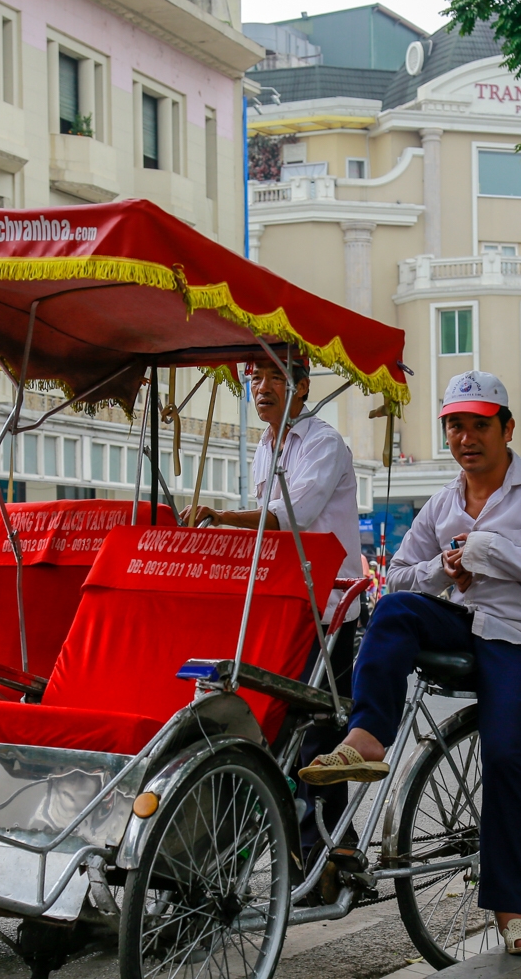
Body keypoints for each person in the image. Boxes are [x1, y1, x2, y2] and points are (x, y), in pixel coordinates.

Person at [298, 369, 521, 955]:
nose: (465, 438)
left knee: (504, 754)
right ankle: (370, 735)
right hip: (462, 625)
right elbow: (399, 573)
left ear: (506, 429)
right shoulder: (443, 501)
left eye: (479, 425)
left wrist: (491, 552)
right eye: (455, 426)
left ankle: (511, 910)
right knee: (397, 608)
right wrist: (441, 572)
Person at [181, 356, 362, 859]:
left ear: (301, 387)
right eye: (254, 378)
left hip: (329, 606)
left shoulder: (323, 444)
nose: (261, 387)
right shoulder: (265, 445)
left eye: (274, 378)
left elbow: (291, 516)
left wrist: (221, 516)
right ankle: (291, 841)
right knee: (271, 722)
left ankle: (329, 847)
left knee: (318, 730)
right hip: (284, 602)